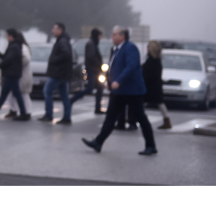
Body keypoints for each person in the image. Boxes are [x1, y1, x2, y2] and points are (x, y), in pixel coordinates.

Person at [82, 26, 158, 156]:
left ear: (123, 36)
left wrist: (119, 81)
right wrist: (110, 82)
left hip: (132, 90)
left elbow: (131, 66)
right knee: (111, 117)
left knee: (140, 117)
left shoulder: (130, 48)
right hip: (119, 91)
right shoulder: (116, 49)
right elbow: (112, 67)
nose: (112, 36)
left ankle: (151, 146)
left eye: (115, 34)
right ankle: (98, 142)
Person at [0, 29, 30, 121]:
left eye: (7, 35)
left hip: (11, 73)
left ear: (11, 36)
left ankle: (23, 113)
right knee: (5, 94)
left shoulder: (14, 46)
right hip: (12, 73)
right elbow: (7, 57)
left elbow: (9, 59)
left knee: (15, 94)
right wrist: (0, 55)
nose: (6, 37)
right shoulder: (15, 46)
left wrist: (1, 65)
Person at [39, 22, 73, 124]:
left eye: (54, 29)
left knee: (47, 91)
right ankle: (67, 117)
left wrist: (54, 60)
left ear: (60, 30)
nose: (52, 31)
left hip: (58, 73)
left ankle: (49, 114)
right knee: (64, 96)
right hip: (63, 73)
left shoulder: (62, 41)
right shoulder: (63, 40)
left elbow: (65, 54)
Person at [69, 28, 105, 115]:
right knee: (89, 89)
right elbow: (91, 57)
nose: (100, 38)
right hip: (93, 71)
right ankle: (72, 100)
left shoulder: (93, 44)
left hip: (95, 71)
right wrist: (99, 65)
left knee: (100, 88)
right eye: (99, 36)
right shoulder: (91, 44)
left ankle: (98, 108)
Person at [143, 40, 171, 130]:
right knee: (159, 103)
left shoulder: (153, 60)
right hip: (153, 85)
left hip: (152, 86)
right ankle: (166, 120)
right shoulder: (153, 59)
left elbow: (149, 73)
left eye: (148, 47)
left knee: (158, 103)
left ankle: (166, 121)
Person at [4, 31, 33, 118]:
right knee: (12, 93)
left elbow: (26, 59)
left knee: (23, 93)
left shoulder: (22, 47)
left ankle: (27, 111)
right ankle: (13, 110)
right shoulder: (19, 47)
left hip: (22, 74)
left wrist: (16, 65)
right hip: (18, 73)